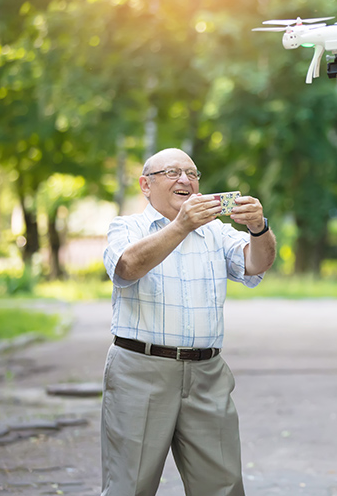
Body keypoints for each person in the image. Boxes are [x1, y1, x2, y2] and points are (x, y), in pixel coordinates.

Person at [101, 147, 276, 496]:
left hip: (207, 375)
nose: (185, 179)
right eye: (172, 172)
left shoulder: (217, 232)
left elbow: (258, 263)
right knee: (129, 486)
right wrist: (181, 225)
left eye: (192, 173)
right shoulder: (126, 227)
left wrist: (259, 227)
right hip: (140, 371)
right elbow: (126, 268)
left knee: (223, 487)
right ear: (145, 185)